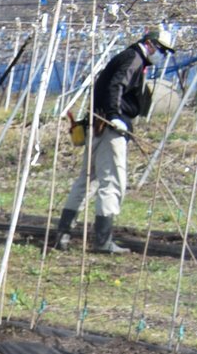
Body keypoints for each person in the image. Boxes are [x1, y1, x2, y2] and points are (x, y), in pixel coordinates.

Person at [54, 25, 176, 254]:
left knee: (86, 180)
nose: (163, 56)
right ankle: (103, 241)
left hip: (97, 123)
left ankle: (63, 234)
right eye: (163, 50)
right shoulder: (134, 59)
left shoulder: (127, 58)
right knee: (112, 181)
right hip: (110, 127)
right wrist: (114, 116)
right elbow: (115, 86)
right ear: (150, 44)